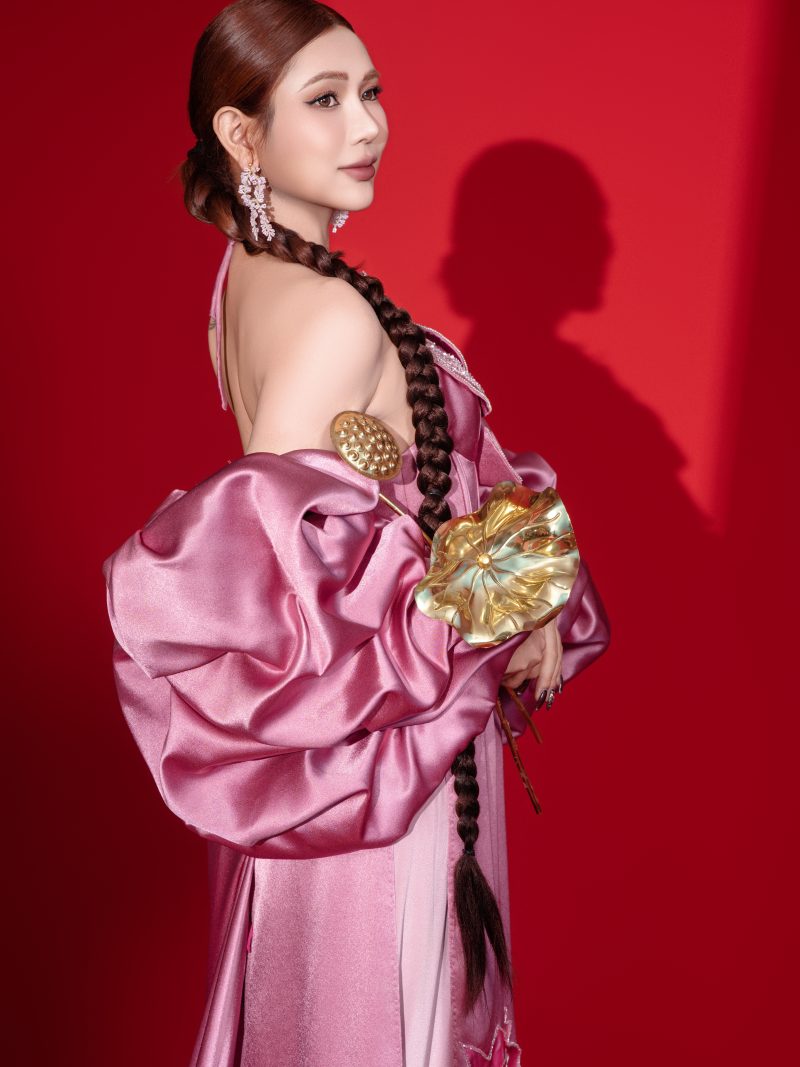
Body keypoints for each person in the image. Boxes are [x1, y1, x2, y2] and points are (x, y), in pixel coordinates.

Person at [101, 2, 611, 1065]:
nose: (366, 125)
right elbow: (296, 597)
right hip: (381, 774)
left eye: (371, 92)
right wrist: (506, 600)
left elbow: (364, 523)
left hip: (365, 763)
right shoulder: (331, 315)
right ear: (241, 134)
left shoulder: (245, 284)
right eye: (325, 100)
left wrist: (520, 584)